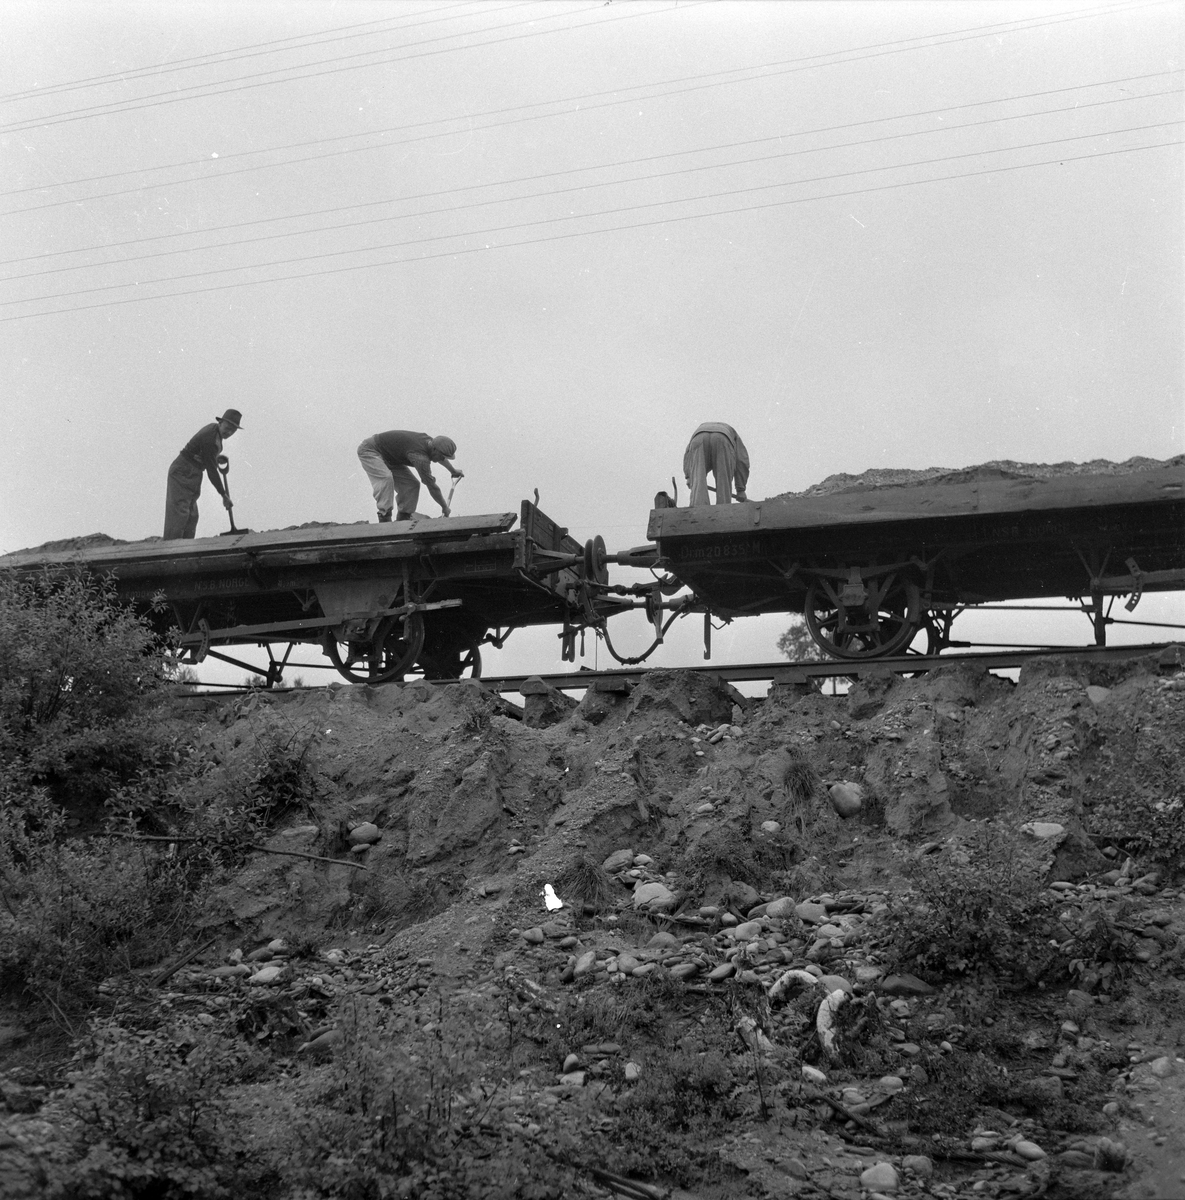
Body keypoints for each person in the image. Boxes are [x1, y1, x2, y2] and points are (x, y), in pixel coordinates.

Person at [163, 409, 242, 539]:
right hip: (183, 471)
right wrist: (224, 495)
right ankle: (172, 550)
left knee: (192, 515)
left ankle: (186, 549)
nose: (229, 432)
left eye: (233, 431)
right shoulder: (210, 438)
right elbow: (212, 471)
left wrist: (214, 458)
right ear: (221, 422)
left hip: (193, 472)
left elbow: (205, 454)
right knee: (180, 513)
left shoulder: (215, 432)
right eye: (227, 428)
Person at [357, 430, 463, 522]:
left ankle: (403, 518)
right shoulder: (419, 457)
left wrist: (453, 471)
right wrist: (444, 507)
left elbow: (441, 457)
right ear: (434, 450)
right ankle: (385, 519)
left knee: (412, 485)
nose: (441, 459)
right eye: (441, 456)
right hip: (370, 450)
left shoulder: (432, 443)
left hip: (391, 457)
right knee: (386, 478)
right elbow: (432, 486)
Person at [683, 422, 750, 506]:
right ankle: (723, 510)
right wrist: (741, 490)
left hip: (699, 437)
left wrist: (689, 476)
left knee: (698, 482)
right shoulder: (733, 434)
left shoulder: (733, 434)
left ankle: (699, 511)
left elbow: (688, 455)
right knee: (723, 481)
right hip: (722, 438)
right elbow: (742, 460)